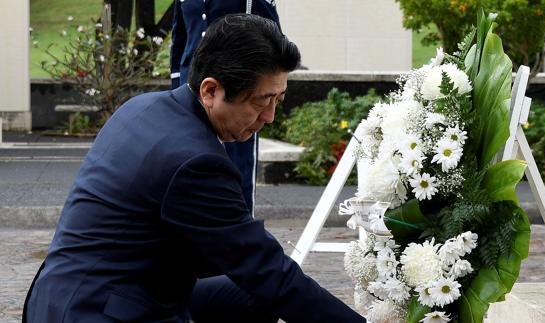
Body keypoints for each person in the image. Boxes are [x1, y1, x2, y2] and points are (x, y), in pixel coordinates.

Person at [24, 14, 365, 323]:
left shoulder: (144, 108)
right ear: (211, 90)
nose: (270, 117)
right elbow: (268, 273)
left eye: (279, 100)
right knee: (264, 286)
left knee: (252, 297)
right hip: (99, 311)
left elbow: (229, 252)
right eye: (261, 101)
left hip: (62, 296)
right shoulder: (194, 162)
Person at [171, 0, 281, 217]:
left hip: (234, 94)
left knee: (237, 167)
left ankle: (241, 229)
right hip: (191, 91)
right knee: (187, 165)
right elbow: (180, 39)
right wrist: (176, 90)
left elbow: (272, 37)